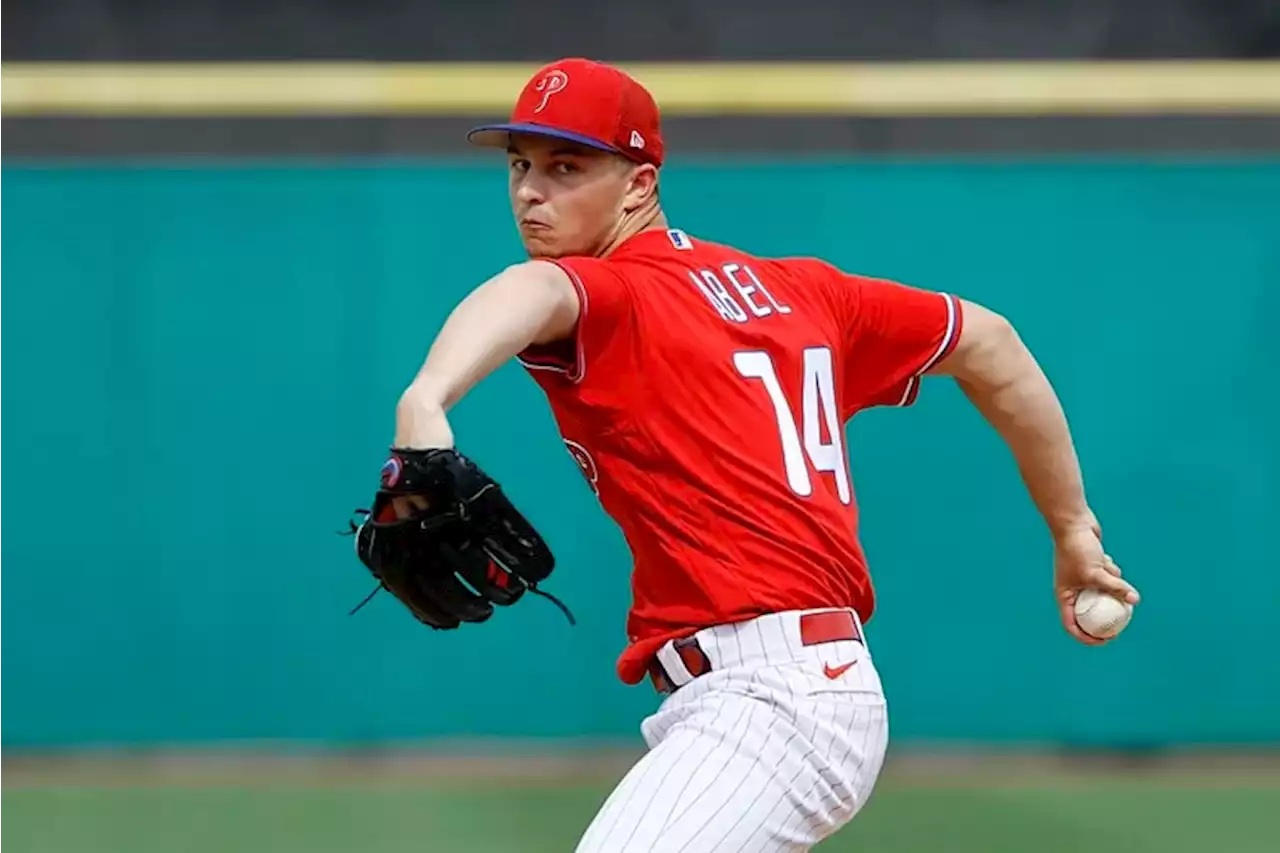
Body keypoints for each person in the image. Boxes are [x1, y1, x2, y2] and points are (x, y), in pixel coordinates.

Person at [390, 57, 1141, 852]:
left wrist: (425, 399)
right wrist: (1072, 527)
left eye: (566, 166)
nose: (531, 190)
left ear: (640, 185)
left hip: (775, 697)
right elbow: (989, 340)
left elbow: (532, 293)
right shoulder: (803, 291)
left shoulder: (617, 292)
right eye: (520, 164)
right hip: (765, 692)